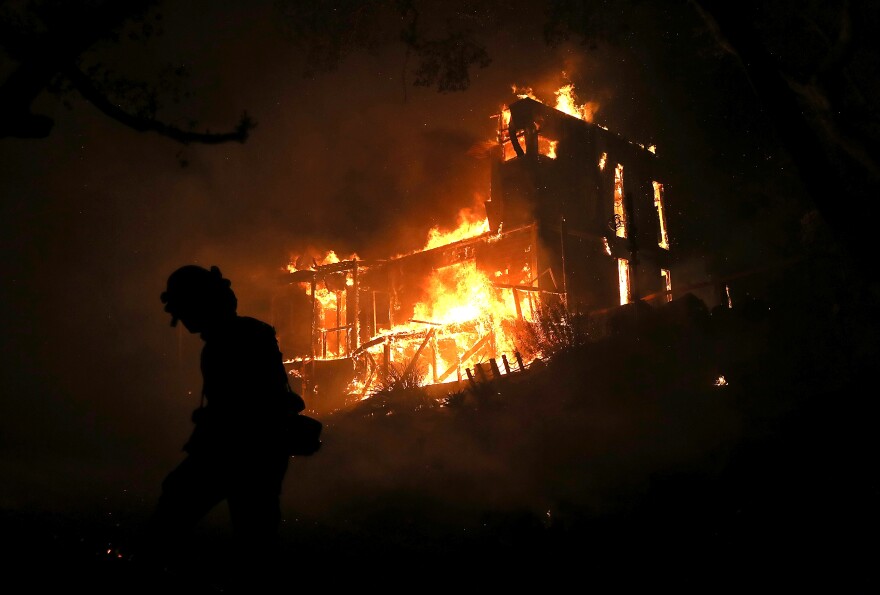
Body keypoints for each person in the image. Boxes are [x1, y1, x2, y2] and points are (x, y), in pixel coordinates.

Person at [142, 264, 304, 591]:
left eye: (185, 310)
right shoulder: (247, 334)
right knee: (255, 533)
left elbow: (244, 404)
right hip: (258, 449)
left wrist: (213, 424)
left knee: (180, 507)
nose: (183, 320)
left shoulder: (230, 341)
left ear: (201, 305)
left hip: (240, 451)